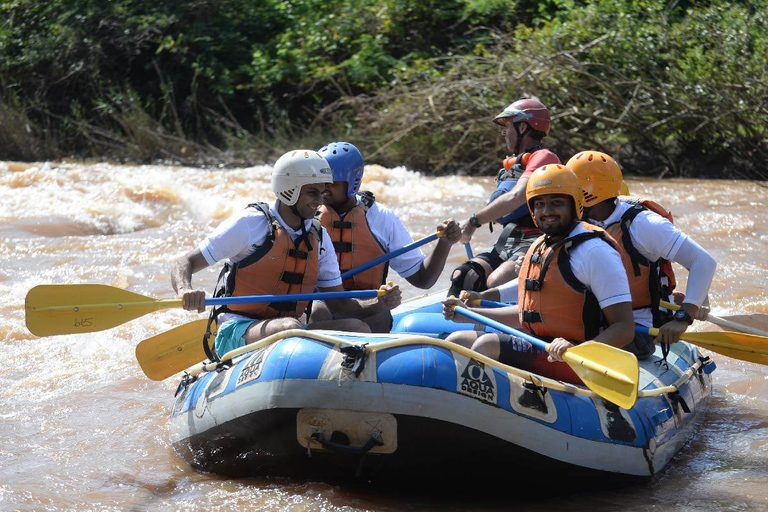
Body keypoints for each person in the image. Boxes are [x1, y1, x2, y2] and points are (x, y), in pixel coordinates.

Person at [171, 149, 400, 357]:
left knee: (356, 328)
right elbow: (186, 261)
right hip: (239, 328)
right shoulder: (250, 224)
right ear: (288, 188)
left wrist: (381, 303)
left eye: (322, 193)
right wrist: (185, 290)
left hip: (292, 330)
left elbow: (341, 306)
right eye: (312, 193)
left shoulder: (319, 236)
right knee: (288, 327)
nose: (320, 202)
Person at [442, 164, 635, 384]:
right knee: (456, 340)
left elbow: (624, 328)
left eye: (556, 203)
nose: (547, 211)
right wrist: (468, 312)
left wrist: (580, 350)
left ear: (575, 204)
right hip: (541, 344)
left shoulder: (595, 251)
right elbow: (529, 315)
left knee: (486, 346)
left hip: (579, 357)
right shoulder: (540, 246)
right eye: (540, 204)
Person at [566, 150, 716, 349]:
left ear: (585, 191)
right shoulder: (573, 222)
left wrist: (684, 316)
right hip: (590, 321)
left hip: (638, 326)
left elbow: (703, 261)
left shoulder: (644, 224)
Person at [313, 141, 461, 331]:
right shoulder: (309, 214)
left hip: (371, 306)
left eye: (331, 183)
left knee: (377, 317)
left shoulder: (381, 217)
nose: (323, 189)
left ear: (351, 182)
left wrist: (444, 244)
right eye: (320, 181)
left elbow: (423, 279)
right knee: (319, 310)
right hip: (326, 303)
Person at [449, 98, 561, 297]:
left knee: (495, 282)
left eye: (508, 125)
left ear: (524, 127)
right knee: (463, 275)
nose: (503, 131)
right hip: (510, 240)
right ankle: (451, 323)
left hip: (537, 241)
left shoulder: (545, 157)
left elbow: (516, 197)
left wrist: (474, 222)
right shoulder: (514, 164)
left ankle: (490, 326)